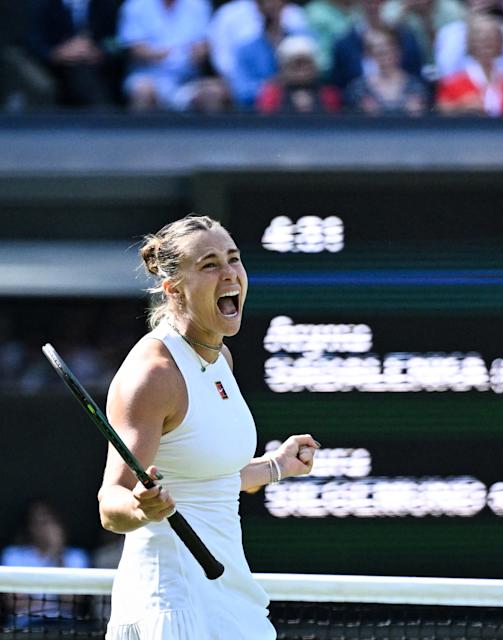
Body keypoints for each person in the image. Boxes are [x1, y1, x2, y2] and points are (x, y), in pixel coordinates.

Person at [98, 215, 319, 639]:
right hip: (171, 601)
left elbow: (210, 480)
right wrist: (142, 508)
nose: (230, 273)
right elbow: (111, 505)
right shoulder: (154, 374)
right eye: (210, 264)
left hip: (230, 591)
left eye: (233, 259)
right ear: (173, 288)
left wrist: (276, 466)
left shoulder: (221, 360)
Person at [1, 499, 90, 629]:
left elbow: (72, 600)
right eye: (38, 522)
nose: (43, 528)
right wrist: (55, 602)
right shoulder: (13, 555)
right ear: (29, 526)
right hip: (25, 626)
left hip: (66, 626)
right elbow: (15, 604)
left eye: (48, 521)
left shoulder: (77, 557)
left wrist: (56, 552)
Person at [436, 14, 503, 114]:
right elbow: (442, 112)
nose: (486, 44)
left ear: (501, 44)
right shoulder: (452, 84)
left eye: (492, 38)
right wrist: (460, 110)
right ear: (470, 44)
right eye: (480, 39)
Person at [345, 28, 429, 114]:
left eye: (388, 47)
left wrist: (416, 113)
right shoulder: (358, 88)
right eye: (378, 48)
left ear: (399, 51)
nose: (384, 52)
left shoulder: (416, 87)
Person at [256, 34, 342, 113]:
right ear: (283, 67)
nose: (302, 70)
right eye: (296, 64)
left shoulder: (329, 94)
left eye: (306, 63)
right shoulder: (271, 95)